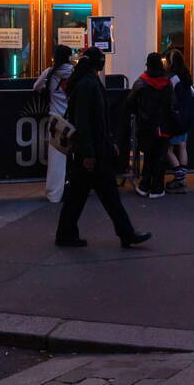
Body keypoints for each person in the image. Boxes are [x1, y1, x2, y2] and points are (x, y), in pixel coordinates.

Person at [56, 47, 151, 248]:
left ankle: (67, 233)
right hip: (93, 153)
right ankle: (125, 233)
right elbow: (87, 122)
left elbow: (93, 120)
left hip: (93, 151)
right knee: (105, 196)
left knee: (81, 195)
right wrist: (90, 152)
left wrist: (107, 143)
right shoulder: (88, 84)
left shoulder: (85, 83)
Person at [127, 52, 176, 199]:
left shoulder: (141, 82)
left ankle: (144, 185)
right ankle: (157, 188)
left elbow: (130, 103)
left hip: (146, 125)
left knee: (149, 156)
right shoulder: (167, 83)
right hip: (164, 126)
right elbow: (172, 105)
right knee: (160, 157)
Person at [33, 45, 75, 203]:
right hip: (73, 118)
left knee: (57, 160)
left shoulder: (50, 72)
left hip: (56, 121)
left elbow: (36, 87)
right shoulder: (74, 72)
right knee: (76, 157)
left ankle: (55, 193)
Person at [164, 49, 194, 193]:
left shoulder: (172, 78)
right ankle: (182, 178)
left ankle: (179, 178)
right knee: (182, 146)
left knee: (168, 149)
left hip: (175, 117)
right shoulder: (186, 77)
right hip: (187, 116)